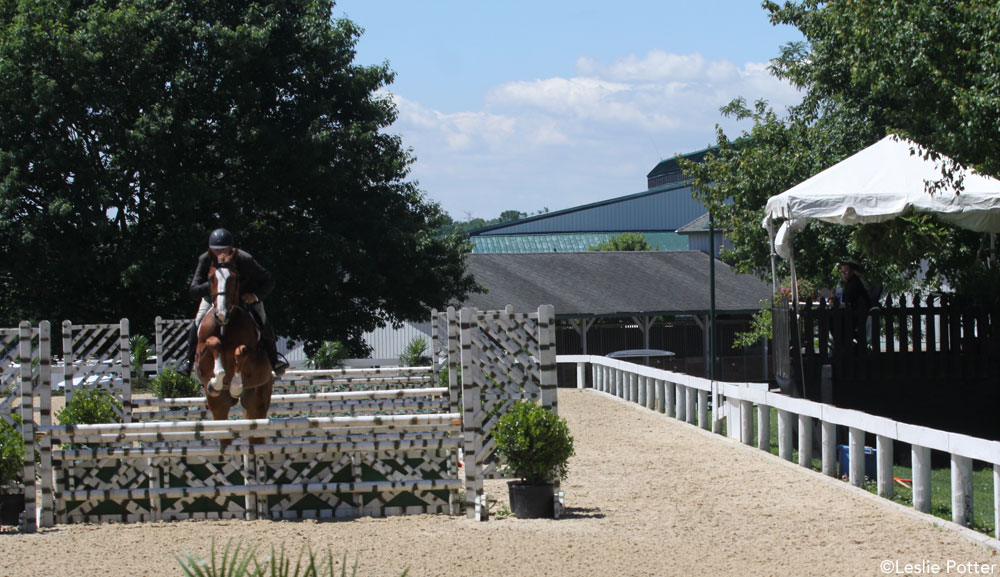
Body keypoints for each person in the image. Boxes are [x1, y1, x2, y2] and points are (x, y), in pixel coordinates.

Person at [179, 228, 288, 376]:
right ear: (211, 250)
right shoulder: (205, 259)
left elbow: (269, 280)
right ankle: (188, 361)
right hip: (214, 298)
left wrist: (255, 296)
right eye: (216, 250)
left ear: (232, 249)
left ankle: (274, 360)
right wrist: (216, 283)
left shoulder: (245, 259)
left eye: (224, 249)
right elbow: (194, 290)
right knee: (198, 320)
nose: (221, 254)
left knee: (262, 320)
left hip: (245, 298)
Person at [838, 260, 874, 350]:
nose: (844, 274)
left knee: (834, 322)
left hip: (857, 316)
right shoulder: (851, 282)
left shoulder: (854, 283)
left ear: (853, 272)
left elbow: (847, 299)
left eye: (846, 272)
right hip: (855, 314)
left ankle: (844, 346)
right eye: (842, 272)